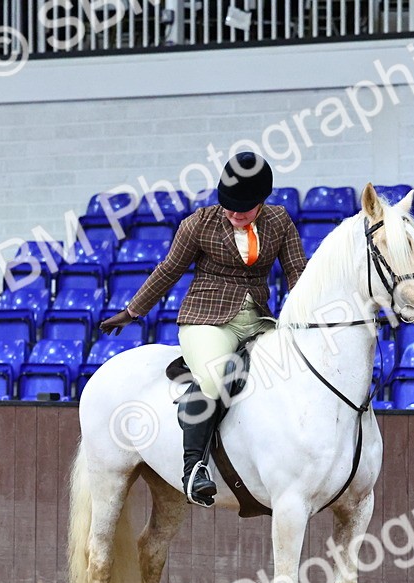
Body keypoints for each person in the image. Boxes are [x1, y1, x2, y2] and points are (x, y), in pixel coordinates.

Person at [100, 152, 308, 507]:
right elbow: (169, 270)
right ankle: (194, 468)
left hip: (259, 319)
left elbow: (296, 271)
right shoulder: (198, 224)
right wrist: (133, 311)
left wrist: (304, 316)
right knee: (214, 377)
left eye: (244, 209)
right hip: (207, 319)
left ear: (262, 201)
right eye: (229, 206)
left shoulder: (279, 221)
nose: (234, 214)